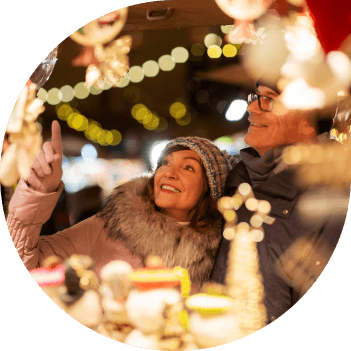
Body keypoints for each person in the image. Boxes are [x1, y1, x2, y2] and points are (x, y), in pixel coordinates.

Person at [7, 120, 237, 291]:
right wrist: (37, 192)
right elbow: (31, 264)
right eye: (165, 163)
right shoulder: (110, 227)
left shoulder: (223, 252)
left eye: (188, 167)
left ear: (211, 188)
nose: (169, 172)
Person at [211, 76, 350, 323]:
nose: (251, 107)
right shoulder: (237, 181)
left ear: (308, 115)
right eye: (255, 97)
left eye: (268, 100)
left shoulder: (331, 197)